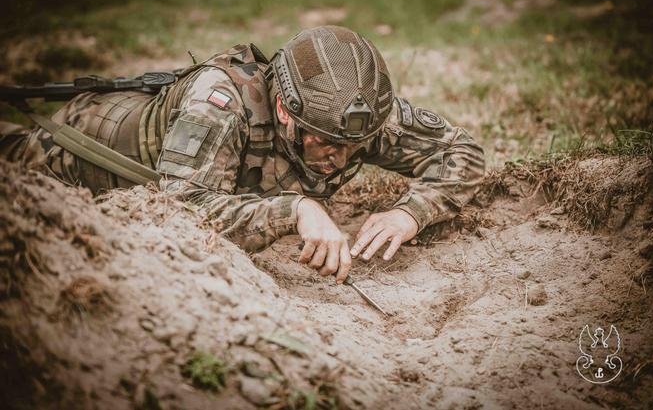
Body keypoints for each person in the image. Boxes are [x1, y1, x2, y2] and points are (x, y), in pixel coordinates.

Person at [0, 25, 485, 283]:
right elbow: (177, 208)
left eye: (351, 147)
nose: (337, 158)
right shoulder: (221, 105)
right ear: (284, 108)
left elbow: (460, 150)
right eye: (321, 141)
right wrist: (296, 208)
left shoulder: (354, 116)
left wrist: (410, 213)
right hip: (83, 150)